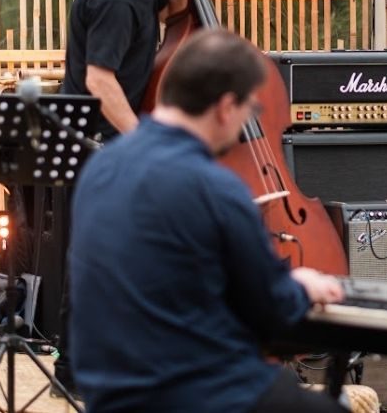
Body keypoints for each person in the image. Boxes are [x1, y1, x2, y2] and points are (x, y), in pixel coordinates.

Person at [68, 29, 350, 413]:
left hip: (111, 394)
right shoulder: (214, 188)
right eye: (251, 110)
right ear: (226, 106)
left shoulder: (101, 168)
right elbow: (271, 312)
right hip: (198, 395)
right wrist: (302, 287)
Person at [49, 0, 204, 395]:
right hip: (95, 142)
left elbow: (172, 8)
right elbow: (99, 81)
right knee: (94, 257)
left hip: (116, 137)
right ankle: (73, 374)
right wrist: (144, 142)